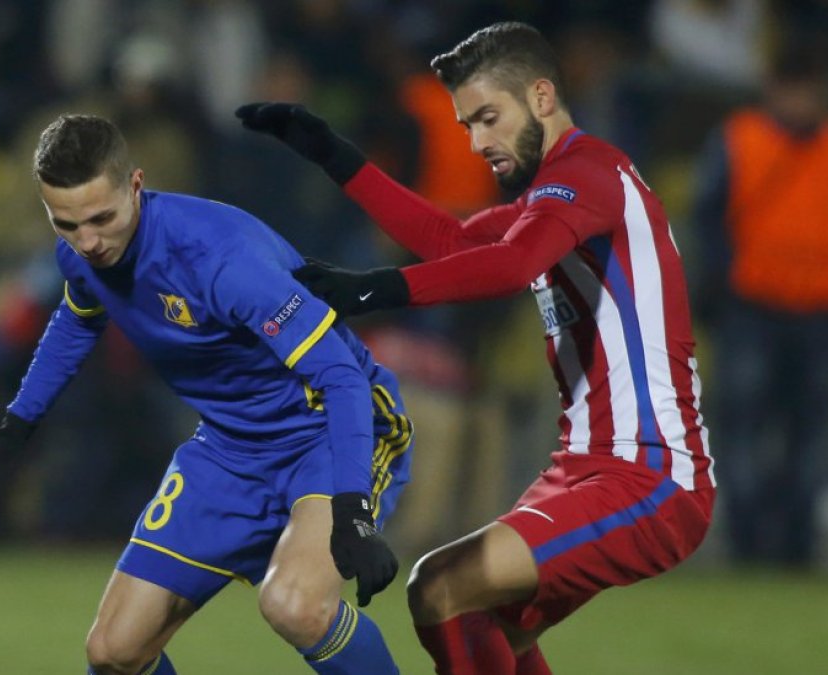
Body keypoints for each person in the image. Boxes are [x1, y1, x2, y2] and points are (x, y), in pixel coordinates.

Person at [237, 21, 715, 674]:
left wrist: (370, 289)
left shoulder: (589, 172)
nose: (478, 141)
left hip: (648, 475)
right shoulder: (557, 193)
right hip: (586, 466)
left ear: (543, 97)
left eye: (488, 117)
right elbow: (450, 240)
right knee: (486, 623)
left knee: (442, 585)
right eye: (467, 125)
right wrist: (332, 153)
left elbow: (511, 266)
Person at [0, 114, 414, 675]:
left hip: (324, 434)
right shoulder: (81, 249)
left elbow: (340, 377)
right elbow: (78, 319)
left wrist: (354, 511)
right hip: (228, 448)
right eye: (66, 224)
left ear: (137, 185)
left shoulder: (220, 260)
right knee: (114, 652)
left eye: (101, 218)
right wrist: (13, 433)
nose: (89, 242)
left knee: (293, 605)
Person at [691, 41, 828, 567]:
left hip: (821, 310)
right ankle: (751, 542)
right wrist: (723, 287)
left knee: (811, 435)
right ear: (772, 89)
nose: (800, 101)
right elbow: (708, 222)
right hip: (753, 308)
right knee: (747, 431)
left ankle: (797, 542)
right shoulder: (740, 140)